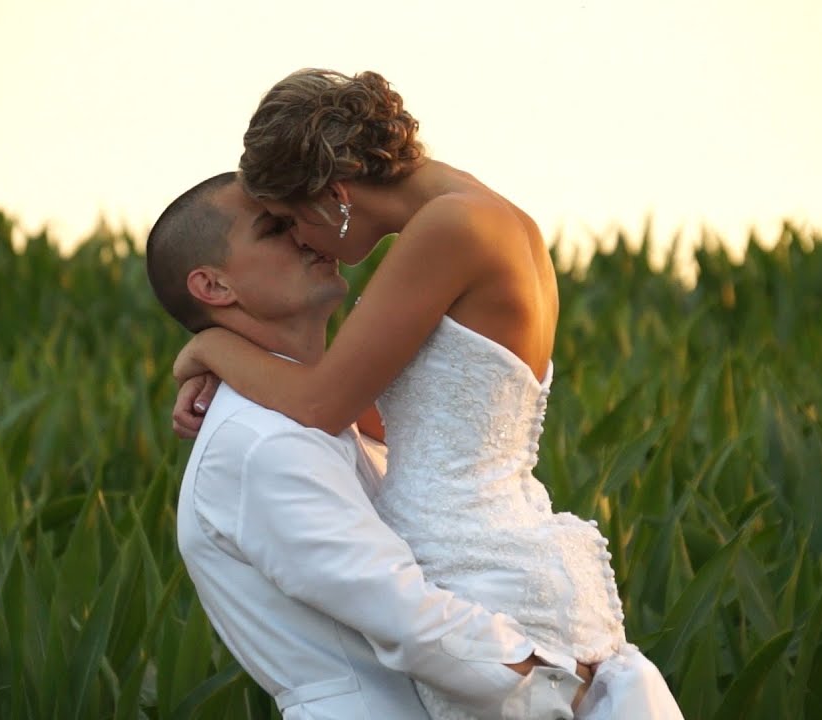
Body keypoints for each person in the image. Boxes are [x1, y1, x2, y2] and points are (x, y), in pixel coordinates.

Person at [172, 70, 683, 719]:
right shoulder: (474, 215)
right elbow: (382, 415)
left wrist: (208, 349)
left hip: (473, 565)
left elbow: (321, 406)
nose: (301, 239)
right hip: (495, 547)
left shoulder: (450, 229)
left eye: (289, 219)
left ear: (335, 195)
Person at [147, 171, 593, 719]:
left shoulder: (343, 413)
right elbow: (408, 619)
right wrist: (572, 689)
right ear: (214, 287)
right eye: (276, 227)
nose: (309, 234)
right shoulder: (259, 443)